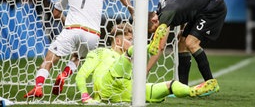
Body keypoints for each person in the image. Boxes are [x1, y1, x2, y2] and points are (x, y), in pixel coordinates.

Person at [24, 0, 134, 98]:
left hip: (72, 29)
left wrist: (69, 22)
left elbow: (56, 14)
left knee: (48, 61)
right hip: (93, 35)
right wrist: (133, 12)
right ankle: (64, 75)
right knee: (78, 57)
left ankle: (38, 87)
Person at [76, 22, 219, 103]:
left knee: (170, 85)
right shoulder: (101, 52)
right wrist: (85, 95)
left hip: (127, 91)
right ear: (118, 40)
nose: (131, 41)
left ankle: (193, 90)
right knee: (129, 53)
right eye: (129, 39)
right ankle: (150, 47)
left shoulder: (129, 62)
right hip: (107, 85)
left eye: (132, 40)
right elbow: (81, 75)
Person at [147, 0, 227, 96]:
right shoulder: (162, 7)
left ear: (154, 20)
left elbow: (160, 47)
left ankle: (211, 83)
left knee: (191, 43)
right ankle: (182, 88)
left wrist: (146, 70)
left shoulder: (164, 17)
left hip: (213, 7)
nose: (156, 31)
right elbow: (184, 7)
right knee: (182, 44)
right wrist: (182, 30)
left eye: (154, 29)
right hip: (202, 8)